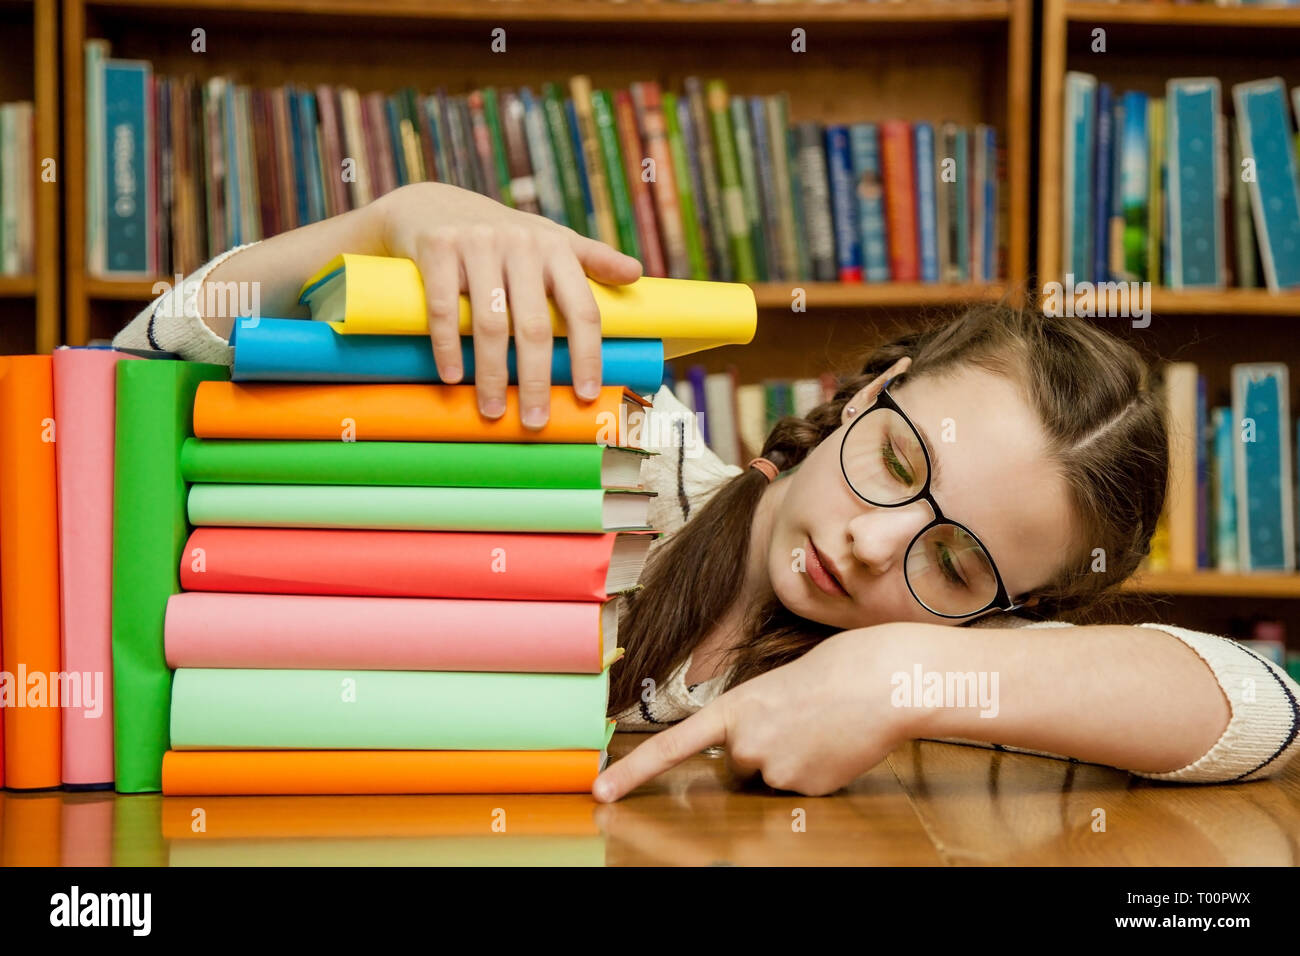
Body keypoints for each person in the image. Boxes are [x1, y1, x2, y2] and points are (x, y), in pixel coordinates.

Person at [116, 182, 1300, 802]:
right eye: (897, 460)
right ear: (868, 387)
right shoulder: (597, 438)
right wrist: (378, 225)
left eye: (953, 563)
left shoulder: (933, 686)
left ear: (1009, 612)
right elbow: (133, 380)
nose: (875, 543)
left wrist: (902, 673)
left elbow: (1268, 704)